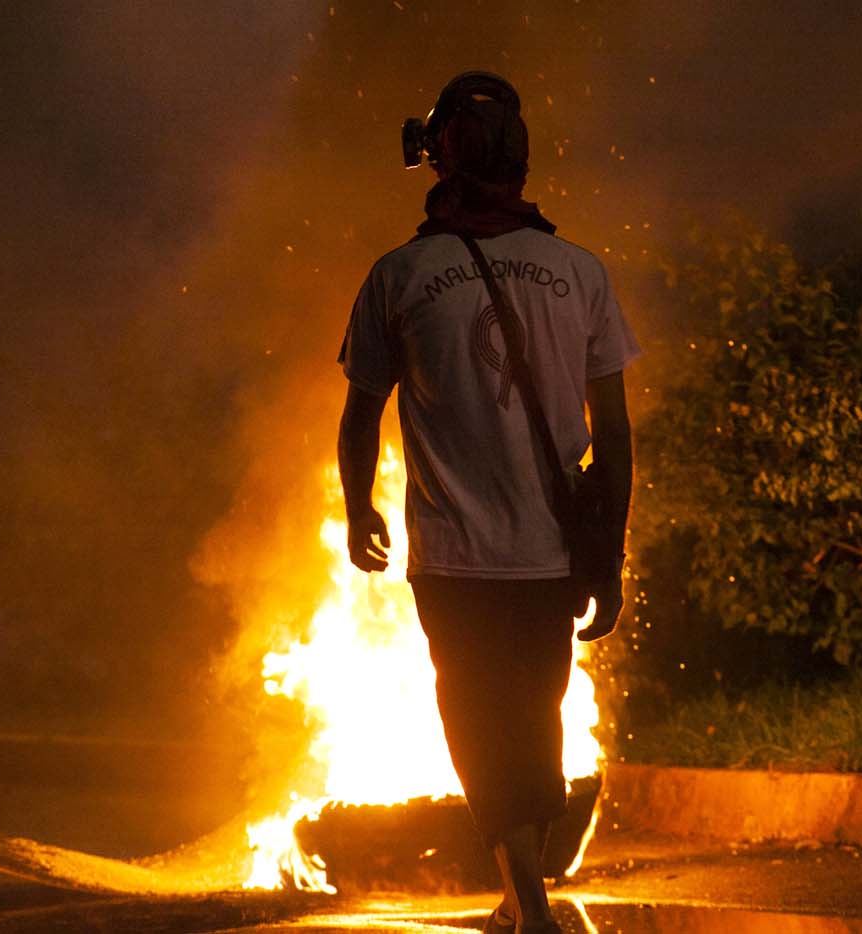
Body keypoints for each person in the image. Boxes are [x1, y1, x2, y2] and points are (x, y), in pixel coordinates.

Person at [336, 71, 638, 934]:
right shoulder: (580, 272)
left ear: (440, 160)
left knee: (477, 723)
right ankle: (523, 894)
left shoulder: (401, 275)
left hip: (456, 559)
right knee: (536, 722)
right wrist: (606, 557)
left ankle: (530, 906)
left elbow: (361, 414)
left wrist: (360, 508)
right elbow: (612, 437)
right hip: (552, 554)